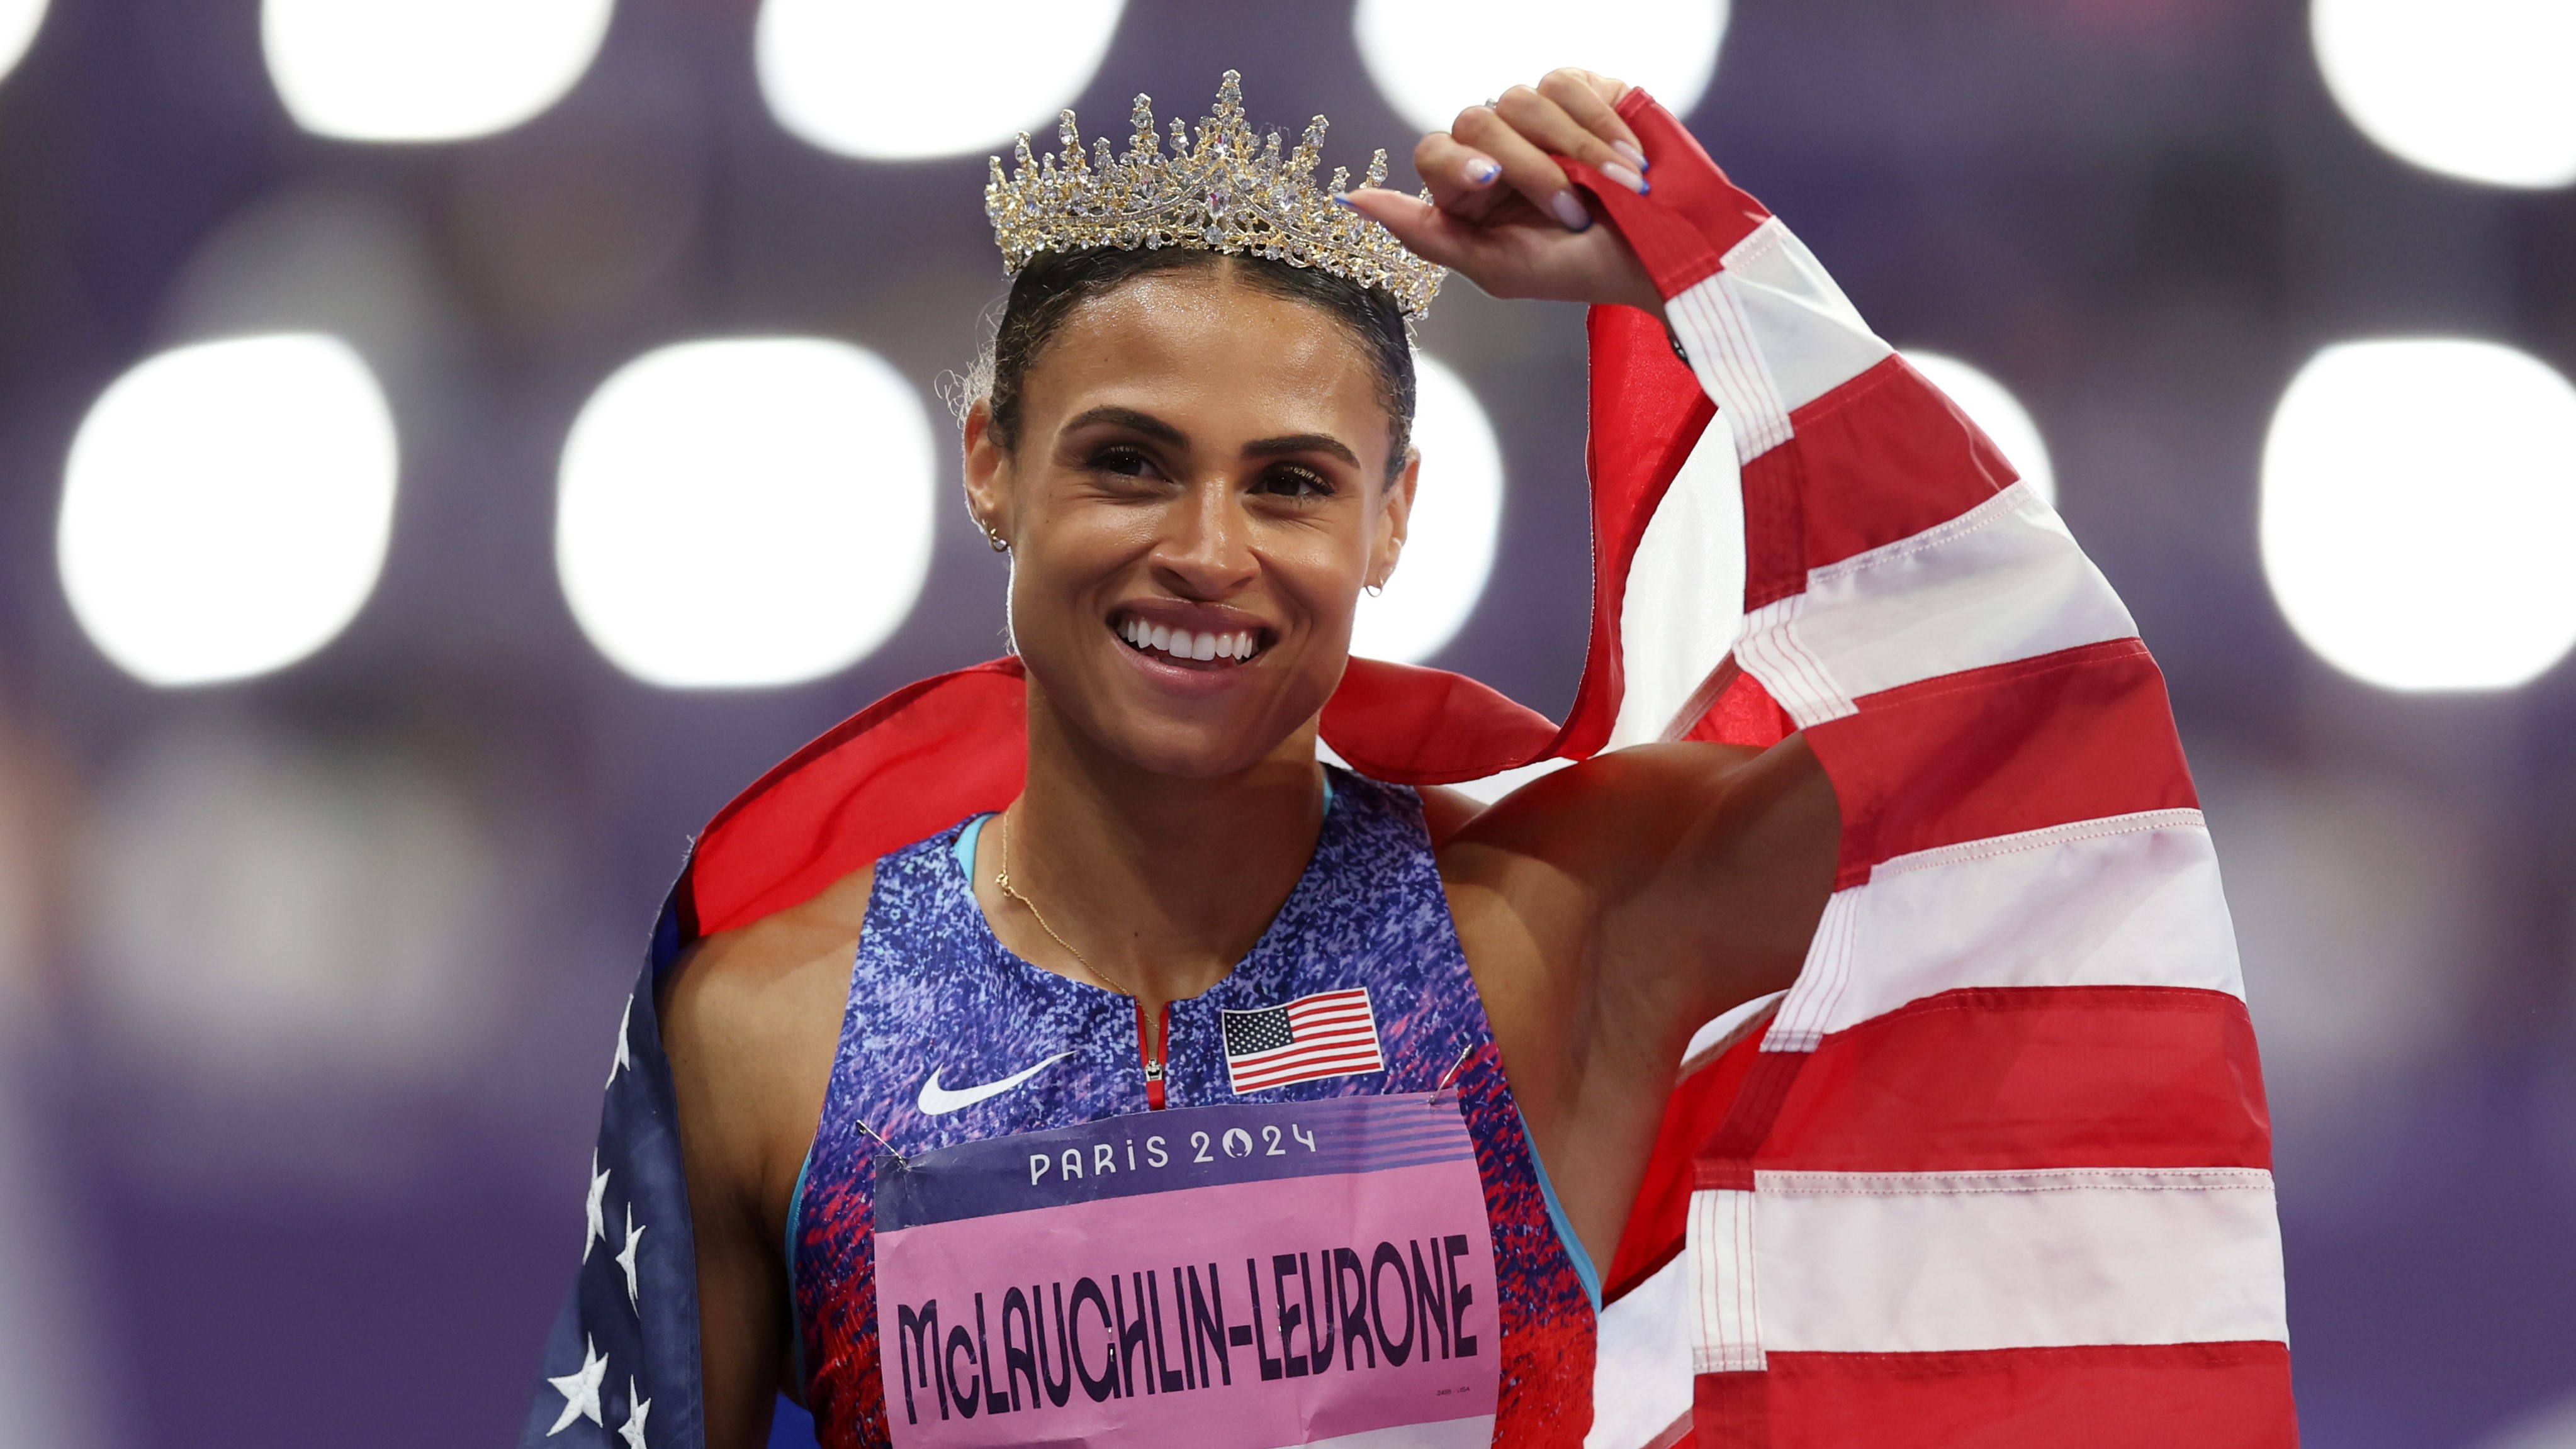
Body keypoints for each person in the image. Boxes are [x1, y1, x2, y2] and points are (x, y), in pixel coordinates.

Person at [527, 65, 2293, 1449]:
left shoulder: (1565, 927)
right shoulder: (766, 1035)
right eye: (1129, 462)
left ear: (1394, 520)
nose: (1207, 550)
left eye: (1290, 481)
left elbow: (2005, 730)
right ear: (990, 462)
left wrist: (1706, 285)